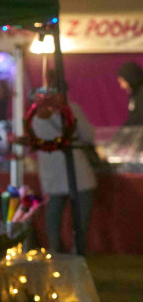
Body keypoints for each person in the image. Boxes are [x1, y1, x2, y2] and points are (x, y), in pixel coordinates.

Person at [31, 89, 97, 253]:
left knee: (54, 210)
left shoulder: (33, 115)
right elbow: (88, 134)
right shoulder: (71, 109)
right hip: (75, 165)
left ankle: (55, 250)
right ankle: (78, 251)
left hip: (50, 168)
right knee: (81, 213)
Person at [116, 61, 143, 126]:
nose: (122, 86)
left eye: (123, 81)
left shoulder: (140, 95)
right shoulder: (135, 95)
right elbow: (133, 121)